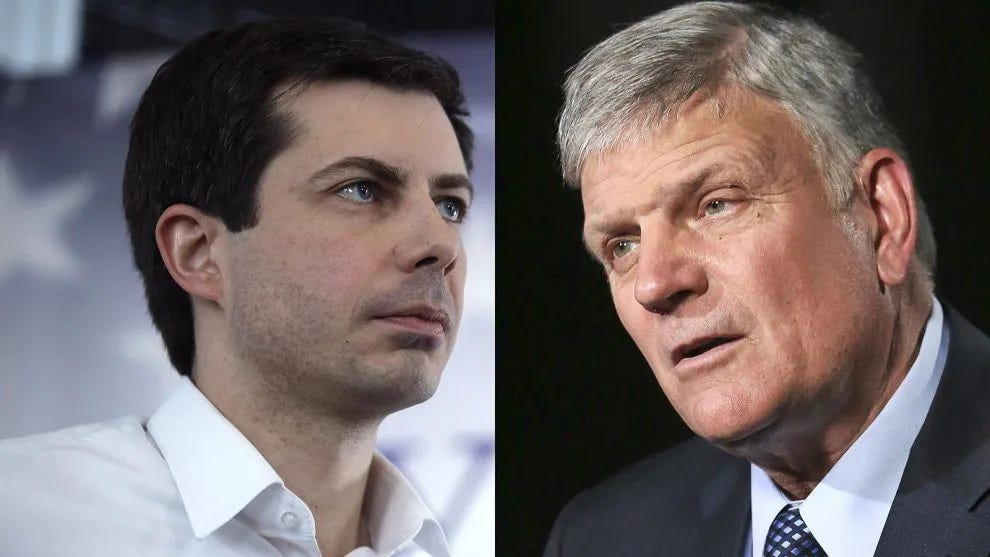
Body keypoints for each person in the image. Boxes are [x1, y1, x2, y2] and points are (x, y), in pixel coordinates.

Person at [0, 18, 474, 557]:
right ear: (198, 253)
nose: (442, 242)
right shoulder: (18, 516)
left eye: (450, 205)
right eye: (361, 189)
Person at [544, 2, 989, 556]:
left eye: (716, 205)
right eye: (623, 246)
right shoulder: (601, 538)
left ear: (882, 215)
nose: (654, 284)